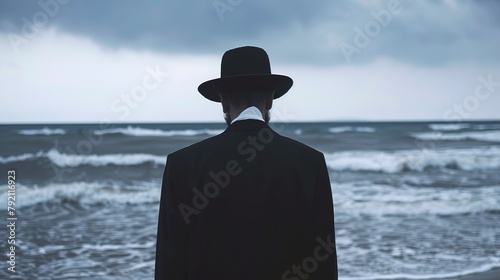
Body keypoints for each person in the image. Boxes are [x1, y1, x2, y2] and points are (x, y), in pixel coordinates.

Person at [155, 46, 338, 280]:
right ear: (271, 99)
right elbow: (323, 263)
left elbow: (169, 265)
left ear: (222, 102)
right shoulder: (309, 163)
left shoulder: (182, 165)